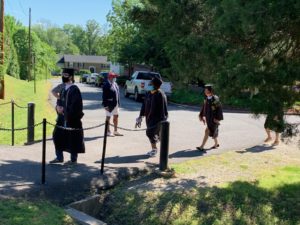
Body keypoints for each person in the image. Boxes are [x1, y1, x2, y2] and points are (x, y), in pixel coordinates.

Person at [50, 68, 85, 164]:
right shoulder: (62, 88)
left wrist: (65, 111)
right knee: (57, 136)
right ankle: (59, 157)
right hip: (61, 118)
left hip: (72, 119)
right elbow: (59, 101)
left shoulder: (74, 89)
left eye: (65, 75)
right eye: (63, 74)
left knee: (72, 139)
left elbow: (76, 106)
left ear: (71, 76)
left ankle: (73, 160)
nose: (63, 76)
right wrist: (57, 107)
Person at [136, 76, 168, 157]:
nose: (149, 84)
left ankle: (154, 149)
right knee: (152, 133)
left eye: (151, 83)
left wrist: (163, 120)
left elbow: (163, 109)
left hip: (157, 119)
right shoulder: (149, 93)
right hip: (149, 118)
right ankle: (158, 138)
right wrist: (140, 116)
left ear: (155, 85)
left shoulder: (160, 94)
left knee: (149, 132)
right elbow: (144, 105)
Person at [197, 85, 223, 151]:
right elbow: (204, 108)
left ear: (211, 91)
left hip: (213, 119)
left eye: (207, 91)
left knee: (207, 131)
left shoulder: (215, 99)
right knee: (212, 132)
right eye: (205, 91)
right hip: (209, 118)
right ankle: (216, 144)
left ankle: (202, 146)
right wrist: (201, 115)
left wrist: (217, 119)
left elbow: (219, 109)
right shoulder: (206, 99)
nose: (205, 92)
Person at [102, 72, 123, 137]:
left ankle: (115, 131)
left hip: (115, 104)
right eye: (114, 77)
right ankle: (108, 131)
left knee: (116, 116)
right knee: (108, 117)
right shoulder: (106, 85)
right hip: (109, 104)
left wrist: (118, 103)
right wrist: (105, 105)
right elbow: (104, 96)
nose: (115, 78)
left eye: (115, 77)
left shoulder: (115, 84)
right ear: (110, 77)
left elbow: (117, 94)